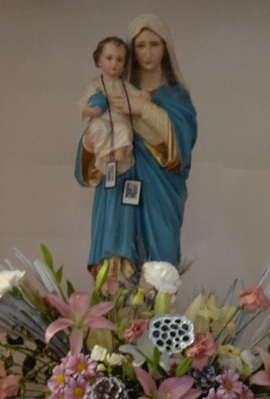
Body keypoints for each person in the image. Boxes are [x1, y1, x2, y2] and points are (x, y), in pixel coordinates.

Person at [75, 14, 197, 280]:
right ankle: (120, 315)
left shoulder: (176, 97)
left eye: (154, 44)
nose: (148, 52)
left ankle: (158, 309)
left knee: (160, 263)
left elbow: (180, 150)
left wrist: (145, 110)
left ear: (165, 48)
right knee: (116, 264)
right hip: (118, 185)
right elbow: (88, 166)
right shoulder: (114, 90)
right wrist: (89, 142)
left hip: (160, 191)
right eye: (140, 45)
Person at [79, 36, 148, 177]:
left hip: (119, 120)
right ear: (99, 61)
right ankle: (105, 156)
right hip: (101, 119)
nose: (114, 63)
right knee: (98, 128)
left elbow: (136, 95)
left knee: (123, 129)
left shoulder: (125, 86)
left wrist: (142, 96)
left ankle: (120, 153)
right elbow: (83, 104)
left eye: (119, 59)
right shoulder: (94, 85)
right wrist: (86, 110)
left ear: (124, 65)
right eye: (109, 58)